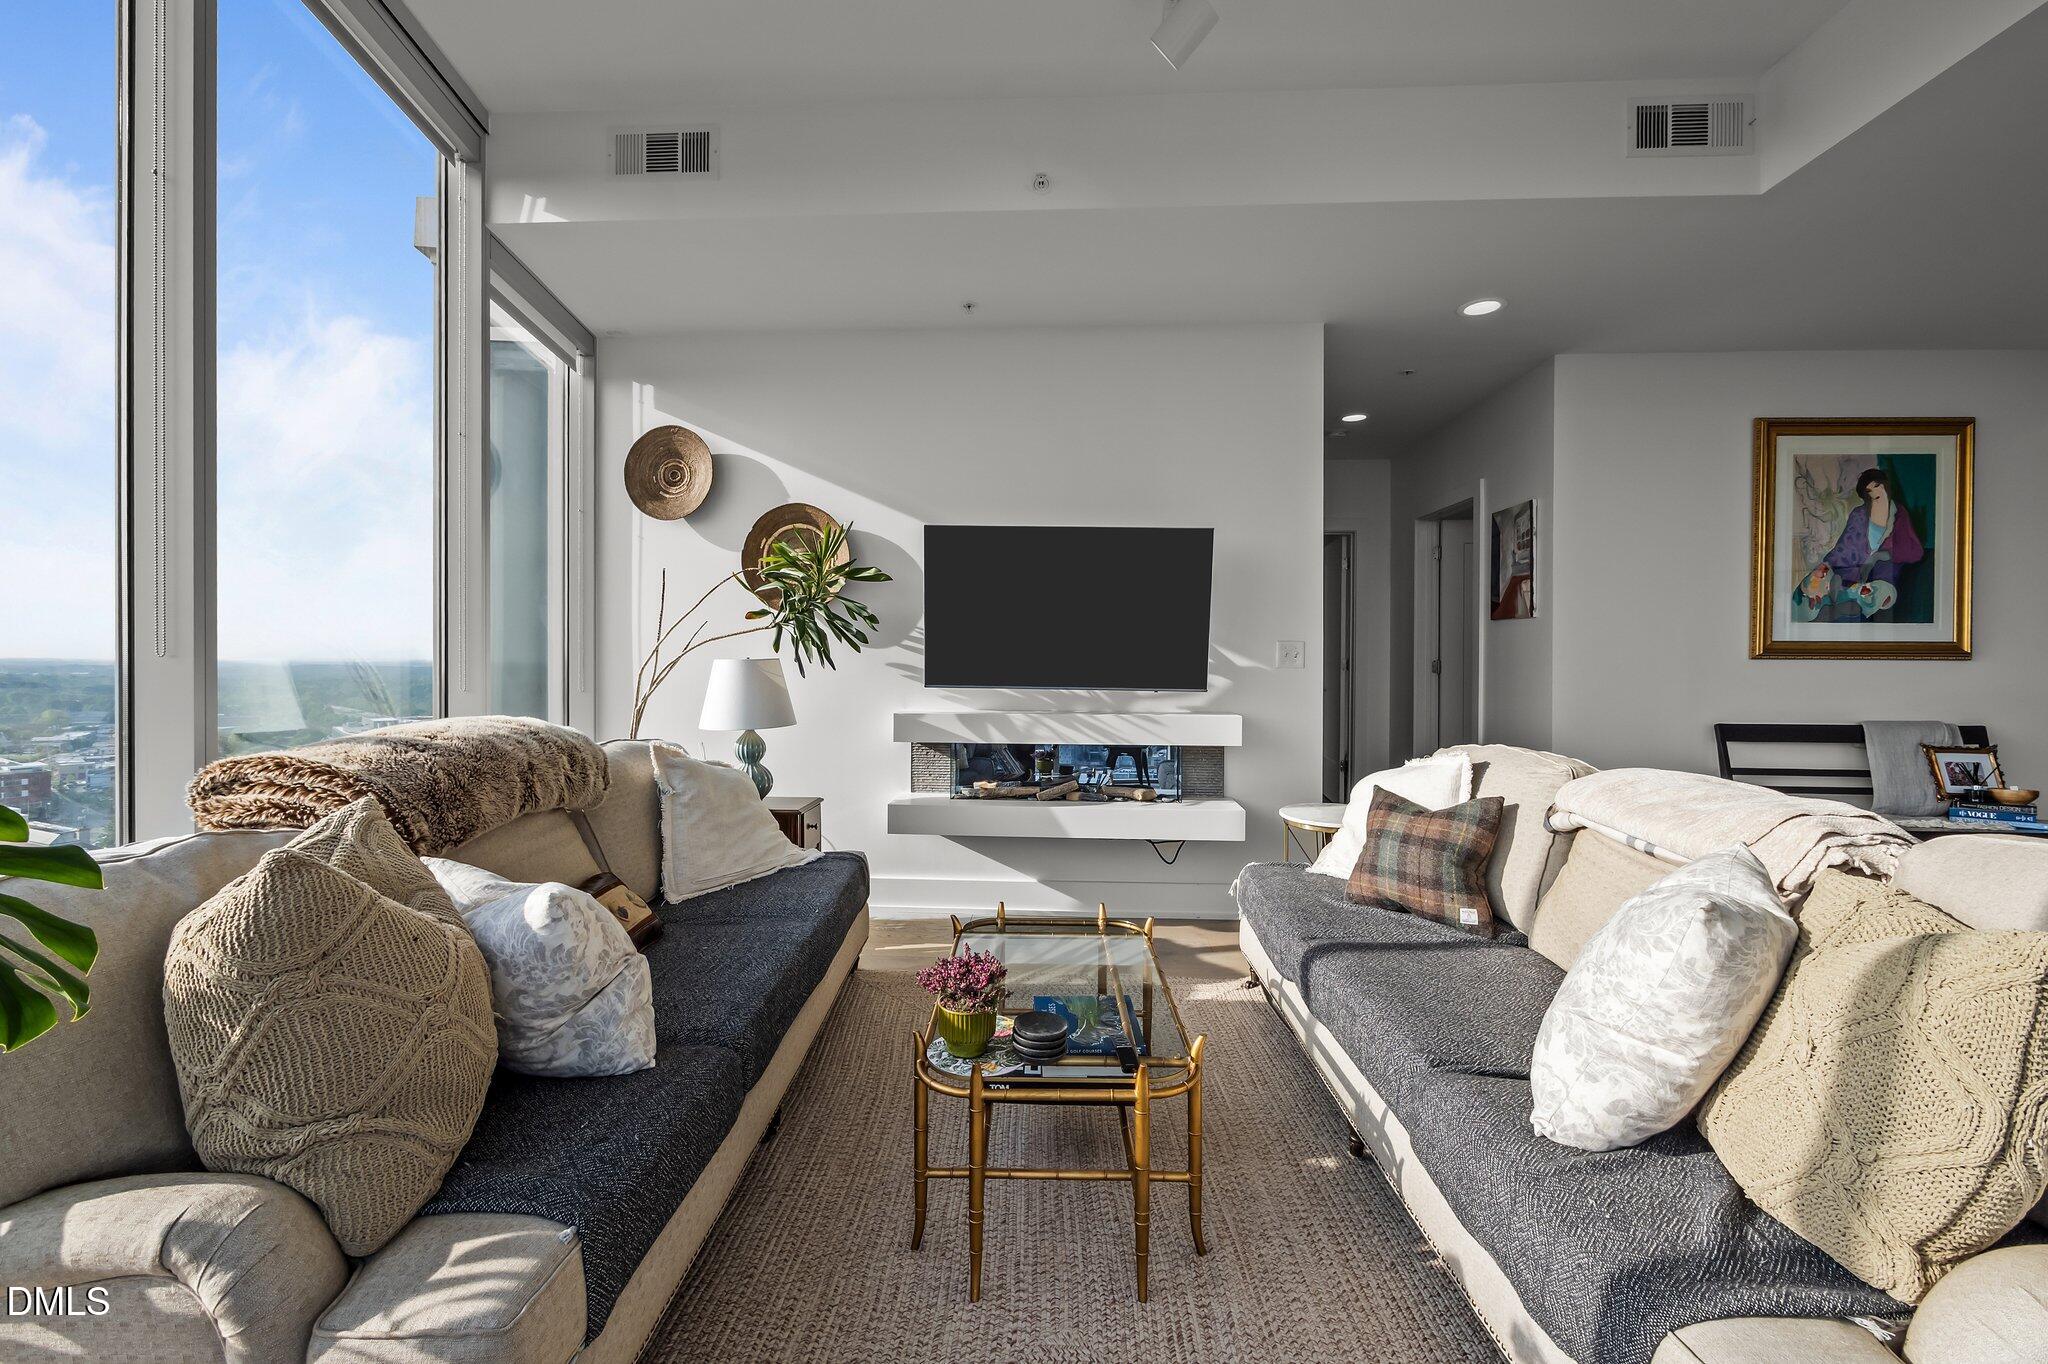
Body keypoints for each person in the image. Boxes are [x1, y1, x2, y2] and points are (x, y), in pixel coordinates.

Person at [1792, 467, 1924, 622]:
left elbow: (1914, 550)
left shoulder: (1899, 513)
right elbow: (1844, 546)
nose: (1876, 492)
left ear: (1885, 486)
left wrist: (1880, 555)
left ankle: (1851, 603)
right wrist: (1826, 565)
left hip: (1884, 568)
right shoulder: (1859, 514)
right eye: (1869, 490)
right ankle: (1829, 603)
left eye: (1877, 486)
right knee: (1814, 583)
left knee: (1878, 591)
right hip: (1853, 568)